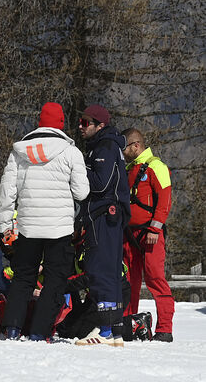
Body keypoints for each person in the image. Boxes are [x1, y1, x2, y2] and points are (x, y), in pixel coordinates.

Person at [0, 102, 89, 341]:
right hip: (59, 228)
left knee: (23, 278)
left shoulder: (19, 152)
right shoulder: (71, 152)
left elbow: (7, 191)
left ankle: (13, 329)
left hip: (27, 226)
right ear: (61, 123)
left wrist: (6, 225)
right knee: (55, 281)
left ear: (40, 121)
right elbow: (81, 192)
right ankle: (39, 332)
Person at [74, 103, 130, 347]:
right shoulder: (103, 145)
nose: (81, 126)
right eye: (80, 121)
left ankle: (105, 330)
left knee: (100, 270)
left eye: (86, 122)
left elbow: (99, 184)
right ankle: (114, 329)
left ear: (100, 125)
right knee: (108, 270)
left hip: (104, 216)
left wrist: (78, 170)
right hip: (107, 217)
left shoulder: (105, 146)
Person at [122, 127, 174, 342]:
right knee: (128, 281)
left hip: (151, 235)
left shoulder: (156, 166)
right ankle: (128, 324)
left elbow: (164, 200)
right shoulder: (129, 169)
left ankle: (165, 329)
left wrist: (155, 228)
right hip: (129, 235)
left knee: (155, 279)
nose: (122, 152)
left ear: (136, 146)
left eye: (124, 147)